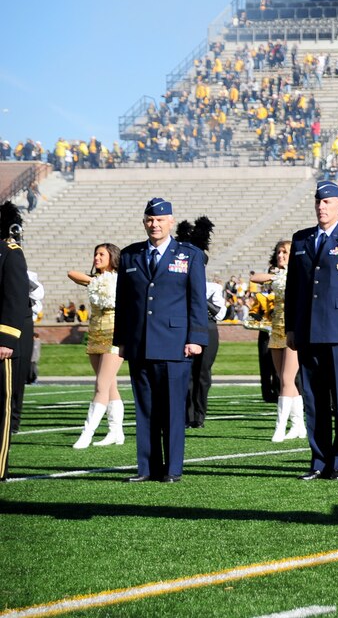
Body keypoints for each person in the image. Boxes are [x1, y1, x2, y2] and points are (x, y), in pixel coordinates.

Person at [113, 198, 208, 483]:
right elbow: (124, 302)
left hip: (175, 342)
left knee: (172, 409)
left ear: (170, 222)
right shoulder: (130, 255)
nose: (154, 225)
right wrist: (121, 340)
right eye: (149, 220)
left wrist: (196, 338)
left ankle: (172, 469)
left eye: (159, 220)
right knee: (145, 409)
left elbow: (196, 299)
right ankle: (147, 468)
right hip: (140, 342)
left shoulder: (189, 255)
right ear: (144, 222)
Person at [286, 182, 338, 480]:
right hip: (309, 331)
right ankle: (319, 461)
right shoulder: (301, 239)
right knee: (314, 400)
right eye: (318, 202)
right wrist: (292, 328)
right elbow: (293, 289)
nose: (321, 207)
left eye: (328, 202)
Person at [67, 243, 126, 448]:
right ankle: (116, 432)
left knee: (101, 385)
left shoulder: (121, 279)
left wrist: (100, 281)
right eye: (95, 254)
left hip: (114, 334)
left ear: (112, 257)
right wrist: (95, 281)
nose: (96, 257)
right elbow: (71, 273)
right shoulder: (95, 281)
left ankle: (87, 433)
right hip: (95, 333)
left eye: (102, 254)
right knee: (110, 385)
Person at [250, 241, 306, 442]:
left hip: (293, 330)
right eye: (279, 252)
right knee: (282, 377)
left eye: (285, 252)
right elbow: (254, 278)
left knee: (287, 379)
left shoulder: (299, 273)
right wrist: (276, 274)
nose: (280, 255)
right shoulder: (277, 275)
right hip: (276, 329)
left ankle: (280, 427)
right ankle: (299, 424)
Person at [176, 218, 226, 429]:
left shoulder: (212, 287)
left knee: (203, 374)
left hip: (207, 327)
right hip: (184, 327)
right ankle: (186, 415)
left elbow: (221, 314)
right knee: (185, 373)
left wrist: (199, 297)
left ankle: (199, 415)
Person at [0, 204, 30, 478]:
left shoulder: (10, 254)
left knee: (1, 409)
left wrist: (6, 339)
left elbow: (16, 298)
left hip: (1, 346)